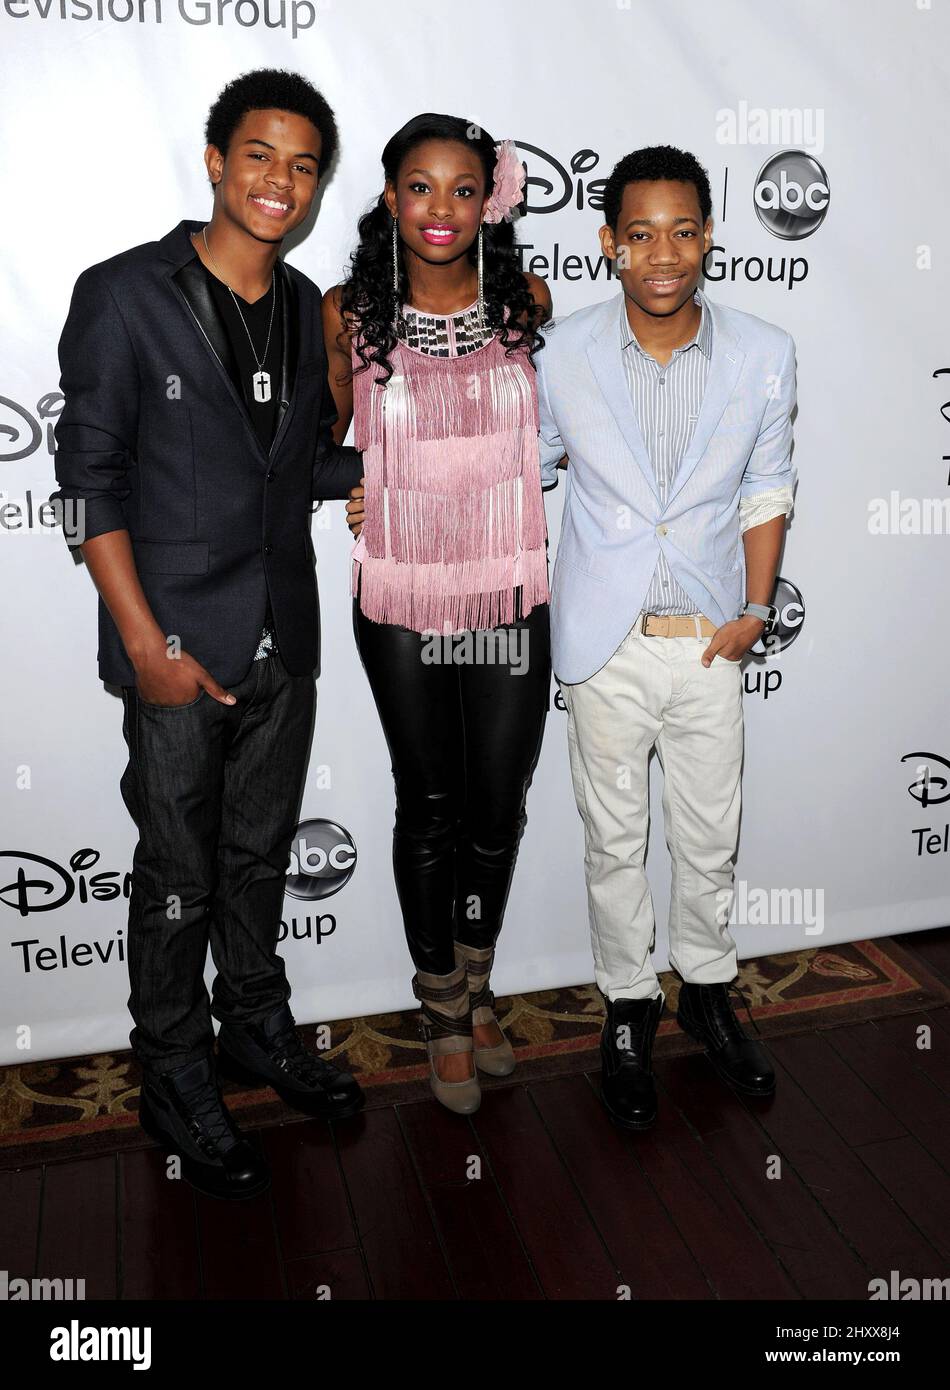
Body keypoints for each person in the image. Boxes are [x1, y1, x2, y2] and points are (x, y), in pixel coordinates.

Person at [50, 69, 365, 1200]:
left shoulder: (305, 302)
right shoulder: (126, 293)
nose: (280, 181)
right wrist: (142, 641)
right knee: (176, 872)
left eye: (303, 164)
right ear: (216, 160)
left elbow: (295, 469)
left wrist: (392, 473)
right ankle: (172, 1067)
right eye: (260, 156)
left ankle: (252, 1027)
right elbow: (88, 480)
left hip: (285, 632)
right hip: (176, 646)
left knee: (255, 856)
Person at [536, 146, 796, 1129]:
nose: (662, 254)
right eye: (639, 233)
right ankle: (627, 1009)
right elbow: (521, 468)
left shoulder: (762, 352)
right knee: (613, 843)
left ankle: (708, 993)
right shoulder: (559, 354)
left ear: (708, 236)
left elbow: (766, 487)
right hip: (603, 643)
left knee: (707, 839)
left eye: (681, 231)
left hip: (706, 642)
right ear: (607, 243)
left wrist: (754, 612)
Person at [329, 114, 552, 1113]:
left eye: (463, 189)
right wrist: (349, 480)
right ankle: (442, 1009)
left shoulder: (527, 305)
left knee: (494, 802)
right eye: (418, 187)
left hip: (509, 585)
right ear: (388, 197)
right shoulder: (346, 316)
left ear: (489, 204)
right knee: (429, 802)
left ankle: (474, 974)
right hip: (404, 593)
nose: (439, 209)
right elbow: (311, 436)